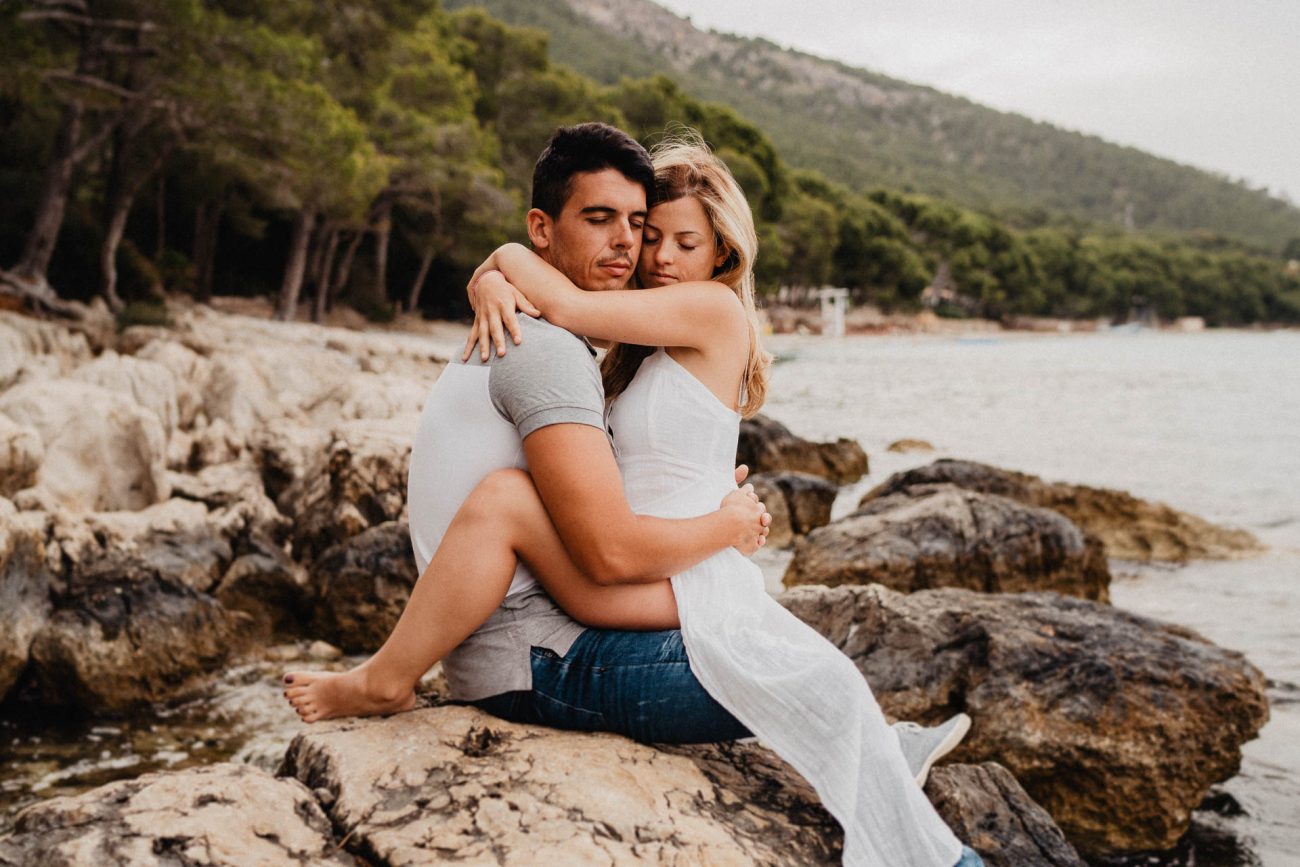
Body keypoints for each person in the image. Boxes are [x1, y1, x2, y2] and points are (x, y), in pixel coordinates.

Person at [285, 123, 981, 866]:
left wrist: (504, 265)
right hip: (578, 612)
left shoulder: (685, 317)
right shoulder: (578, 350)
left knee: (817, 676)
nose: (644, 250)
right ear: (545, 228)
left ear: (722, 252)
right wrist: (497, 273)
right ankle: (897, 774)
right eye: (633, 231)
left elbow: (585, 351)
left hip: (622, 583)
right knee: (811, 676)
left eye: (661, 233)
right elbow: (610, 525)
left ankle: (902, 788)